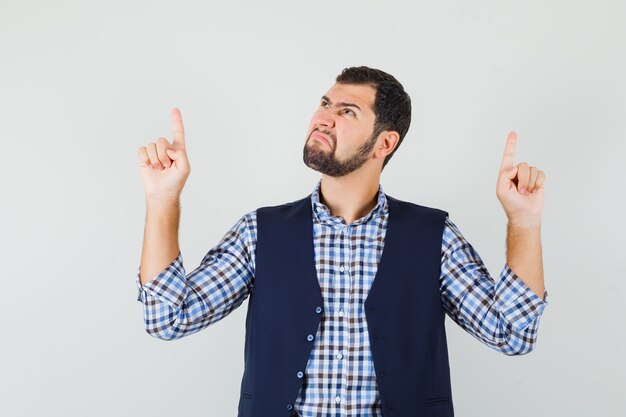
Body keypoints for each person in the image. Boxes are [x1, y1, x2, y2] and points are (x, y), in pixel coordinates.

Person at [135, 66, 548, 417]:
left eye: (346, 111)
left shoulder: (432, 236)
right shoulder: (259, 232)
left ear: (385, 143)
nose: (323, 117)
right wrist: (162, 198)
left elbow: (510, 333)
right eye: (325, 103)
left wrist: (523, 222)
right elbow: (169, 318)